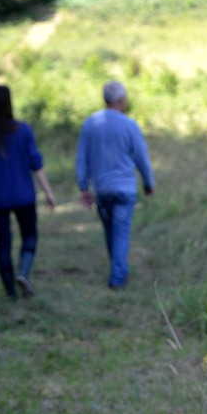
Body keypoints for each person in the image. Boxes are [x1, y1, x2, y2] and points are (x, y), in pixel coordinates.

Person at [0, 85, 56, 299]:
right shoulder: (24, 130)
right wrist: (48, 192)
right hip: (23, 195)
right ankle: (23, 272)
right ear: (10, 102)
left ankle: (10, 292)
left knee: (3, 244)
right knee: (30, 235)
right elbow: (36, 164)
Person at [75, 80, 155, 290]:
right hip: (125, 189)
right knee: (120, 231)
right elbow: (142, 157)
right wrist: (148, 183)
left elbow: (82, 158)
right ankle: (118, 276)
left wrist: (83, 187)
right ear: (120, 99)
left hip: (101, 189)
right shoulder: (130, 125)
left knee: (111, 230)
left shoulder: (90, 123)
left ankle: (118, 270)